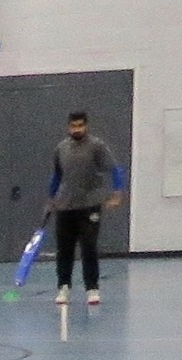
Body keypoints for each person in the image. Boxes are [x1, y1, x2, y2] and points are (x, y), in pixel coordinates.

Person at [48, 111, 126, 306]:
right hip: (66, 206)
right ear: (69, 127)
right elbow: (57, 176)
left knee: (89, 247)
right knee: (64, 249)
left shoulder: (97, 146)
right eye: (73, 126)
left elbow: (115, 170)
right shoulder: (61, 148)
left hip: (90, 205)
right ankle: (64, 287)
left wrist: (117, 194)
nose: (77, 129)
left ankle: (92, 289)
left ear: (86, 126)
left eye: (80, 126)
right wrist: (52, 198)